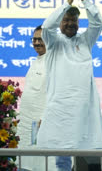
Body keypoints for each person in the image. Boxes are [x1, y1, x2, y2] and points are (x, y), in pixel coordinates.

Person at [36, 0, 102, 171]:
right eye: (66, 19)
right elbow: (47, 26)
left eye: (74, 20)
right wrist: (67, 3)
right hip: (61, 109)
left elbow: (97, 23)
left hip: (85, 108)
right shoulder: (53, 42)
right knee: (62, 159)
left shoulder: (85, 41)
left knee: (93, 155)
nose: (70, 23)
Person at [17, 25, 56, 171]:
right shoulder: (36, 61)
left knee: (42, 163)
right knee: (25, 162)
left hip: (42, 124)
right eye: (34, 39)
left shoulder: (53, 62)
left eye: (41, 39)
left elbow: (57, 94)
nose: (37, 43)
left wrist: (46, 117)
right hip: (27, 124)